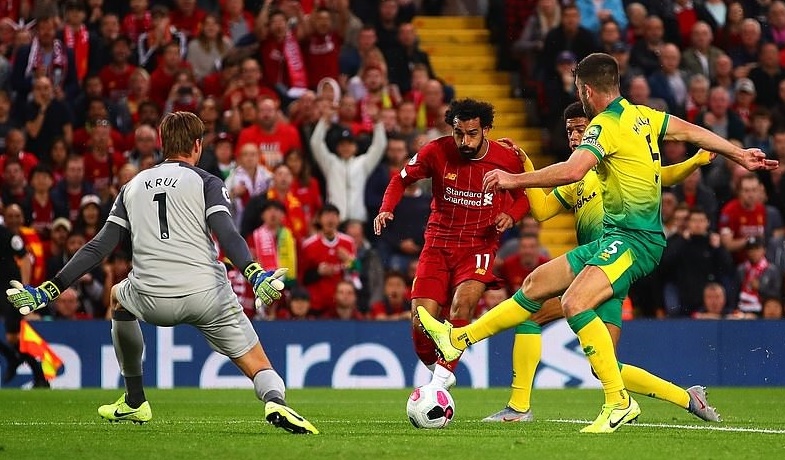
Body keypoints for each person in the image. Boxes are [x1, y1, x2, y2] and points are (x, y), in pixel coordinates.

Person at [418, 53, 777, 433]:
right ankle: (459, 339)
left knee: (573, 304)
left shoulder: (604, 126)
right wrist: (738, 153)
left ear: (587, 90)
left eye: (578, 91)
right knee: (536, 285)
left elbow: (574, 170)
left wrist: (513, 179)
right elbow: (690, 131)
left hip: (634, 241)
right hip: (609, 243)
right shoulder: (643, 116)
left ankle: (617, 402)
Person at [5, 112, 318, 434]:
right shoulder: (207, 182)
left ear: (162, 144)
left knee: (118, 297)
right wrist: (254, 273)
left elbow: (99, 247)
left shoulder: (132, 186)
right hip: (207, 297)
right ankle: (275, 401)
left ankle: (135, 399)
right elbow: (227, 233)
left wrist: (49, 289)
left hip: (151, 298)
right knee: (258, 364)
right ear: (197, 146)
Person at [483, 102, 721, 424]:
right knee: (602, 364)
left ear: (596, 129)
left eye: (580, 129)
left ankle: (520, 407)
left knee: (536, 316)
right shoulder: (575, 178)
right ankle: (687, 398)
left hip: (612, 264)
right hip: (593, 267)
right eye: (569, 130)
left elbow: (663, 176)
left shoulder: (618, 167)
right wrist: (525, 162)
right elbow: (541, 211)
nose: (573, 135)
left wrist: (694, 161)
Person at [373, 98, 530, 391]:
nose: (465, 141)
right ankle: (440, 373)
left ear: (486, 130)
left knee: (463, 305)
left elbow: (523, 197)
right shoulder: (435, 151)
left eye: (472, 134)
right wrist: (386, 209)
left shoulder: (506, 158)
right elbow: (400, 180)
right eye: (459, 133)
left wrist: (511, 215)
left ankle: (438, 386)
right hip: (438, 244)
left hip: (479, 246)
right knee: (421, 323)